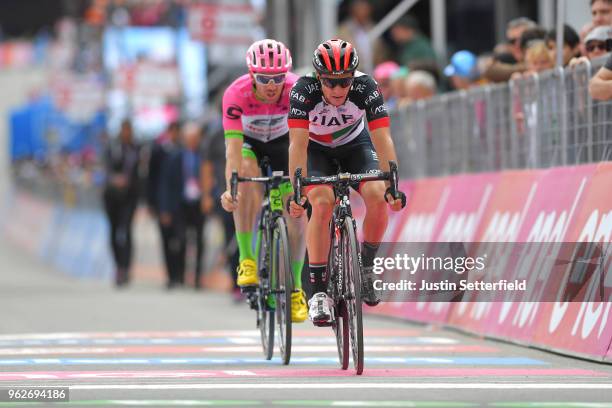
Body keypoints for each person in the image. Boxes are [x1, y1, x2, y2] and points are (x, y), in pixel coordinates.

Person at [287, 39, 405, 325]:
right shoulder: (303, 91)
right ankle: (317, 292)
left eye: (345, 82)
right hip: (315, 150)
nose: (338, 90)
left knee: (377, 194)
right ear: (318, 77)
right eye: (330, 82)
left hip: (355, 145)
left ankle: (366, 265)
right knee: (322, 202)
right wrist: (297, 191)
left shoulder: (367, 87)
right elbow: (297, 146)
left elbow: (382, 137)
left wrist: (393, 183)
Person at [219, 39, 308, 323]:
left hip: (284, 144)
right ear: (251, 74)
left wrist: (299, 188)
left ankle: (295, 287)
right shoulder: (236, 93)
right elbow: (232, 152)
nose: (272, 84)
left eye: (278, 78)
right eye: (265, 78)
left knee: (295, 208)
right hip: (249, 144)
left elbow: (302, 144)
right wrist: (231, 188)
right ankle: (247, 259)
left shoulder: (296, 91)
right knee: (246, 176)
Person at [102, 119, 141, 287]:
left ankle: (125, 267)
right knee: (113, 232)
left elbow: (140, 173)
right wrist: (114, 179)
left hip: (129, 196)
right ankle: (117, 265)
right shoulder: (112, 147)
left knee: (126, 231)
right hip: (111, 196)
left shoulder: (137, 149)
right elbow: (106, 167)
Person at [148, 121, 186, 289]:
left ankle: (181, 275)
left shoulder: (184, 151)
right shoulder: (158, 151)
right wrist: (159, 207)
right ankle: (171, 276)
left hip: (182, 205)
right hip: (165, 204)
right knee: (167, 241)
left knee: (181, 241)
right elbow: (155, 180)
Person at [181, 122, 206, 289]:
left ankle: (197, 277)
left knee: (199, 240)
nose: (193, 141)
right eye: (190, 139)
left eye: (195, 138)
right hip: (183, 203)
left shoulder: (204, 155)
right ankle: (182, 275)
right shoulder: (180, 155)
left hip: (199, 202)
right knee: (183, 239)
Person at [337, 0, 391, 75]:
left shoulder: (374, 27)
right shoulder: (343, 30)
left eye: (366, 8)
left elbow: (381, 52)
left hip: (374, 72)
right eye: (360, 8)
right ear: (352, 10)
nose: (363, 11)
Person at [484, 17, 536, 82]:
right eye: (512, 41)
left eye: (523, 39)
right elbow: (489, 71)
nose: (518, 45)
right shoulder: (507, 58)